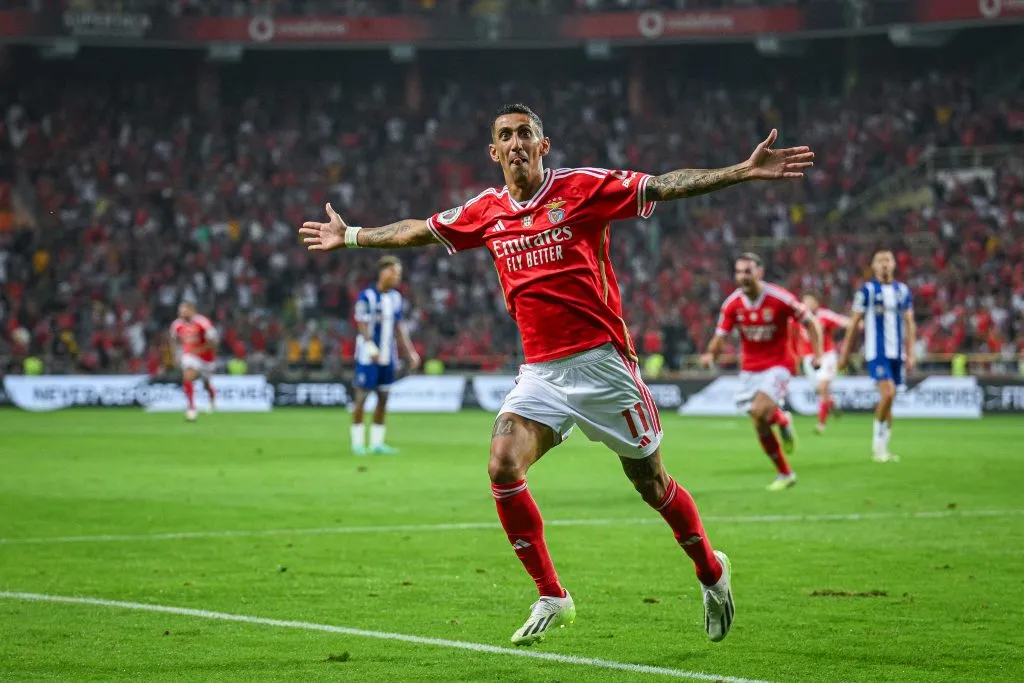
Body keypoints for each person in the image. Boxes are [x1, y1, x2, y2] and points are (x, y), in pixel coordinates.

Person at [300, 103, 814, 645]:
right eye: (505, 135)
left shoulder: (583, 188)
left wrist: (741, 170)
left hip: (604, 364)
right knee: (502, 464)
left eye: (526, 134)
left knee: (651, 483)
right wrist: (352, 234)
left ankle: (711, 572)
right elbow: (418, 231)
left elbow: (662, 185)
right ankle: (552, 594)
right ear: (493, 152)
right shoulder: (486, 210)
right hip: (542, 373)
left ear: (543, 146)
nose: (516, 142)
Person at [701, 254, 823, 491]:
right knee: (759, 421)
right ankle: (784, 468)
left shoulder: (780, 298)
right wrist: (710, 354)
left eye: (747, 271)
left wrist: (817, 355)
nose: (742, 277)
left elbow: (811, 322)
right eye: (738, 272)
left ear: (760, 272)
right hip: (750, 369)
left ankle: (785, 460)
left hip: (780, 364)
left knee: (758, 410)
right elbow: (721, 336)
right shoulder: (732, 304)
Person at [838, 250, 915, 463]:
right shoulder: (867, 291)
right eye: (880, 261)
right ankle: (877, 446)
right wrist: (845, 353)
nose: (884, 264)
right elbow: (854, 323)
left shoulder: (903, 291)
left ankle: (884, 447)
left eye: (888, 260)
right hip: (876, 353)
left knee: (890, 400)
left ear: (894, 264)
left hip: (897, 354)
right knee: (888, 394)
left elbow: (909, 323)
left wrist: (911, 353)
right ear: (873, 266)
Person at [351, 256, 421, 455]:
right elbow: (362, 323)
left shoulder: (396, 298)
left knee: (383, 398)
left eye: (399, 273)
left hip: (388, 356)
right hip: (368, 356)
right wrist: (371, 346)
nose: (397, 277)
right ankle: (357, 444)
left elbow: (399, 328)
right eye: (394, 272)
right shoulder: (367, 297)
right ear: (383, 273)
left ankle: (376, 443)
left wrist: (410, 352)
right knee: (361, 398)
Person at [793, 294, 850, 434]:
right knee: (820, 391)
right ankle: (832, 403)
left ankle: (821, 424)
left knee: (823, 388)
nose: (807, 304)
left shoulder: (824, 315)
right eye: (804, 301)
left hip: (826, 356)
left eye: (810, 301)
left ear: (816, 303)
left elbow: (845, 322)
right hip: (808, 358)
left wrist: (857, 323)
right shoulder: (798, 319)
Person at [170, 302, 218, 422]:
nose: (181, 313)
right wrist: (175, 354)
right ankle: (191, 407)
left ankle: (212, 399)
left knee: (206, 383)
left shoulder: (202, 322)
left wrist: (201, 349)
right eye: (180, 310)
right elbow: (173, 340)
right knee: (187, 376)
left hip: (206, 357)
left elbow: (214, 340)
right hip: (190, 355)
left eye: (184, 310)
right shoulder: (177, 324)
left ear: (192, 310)